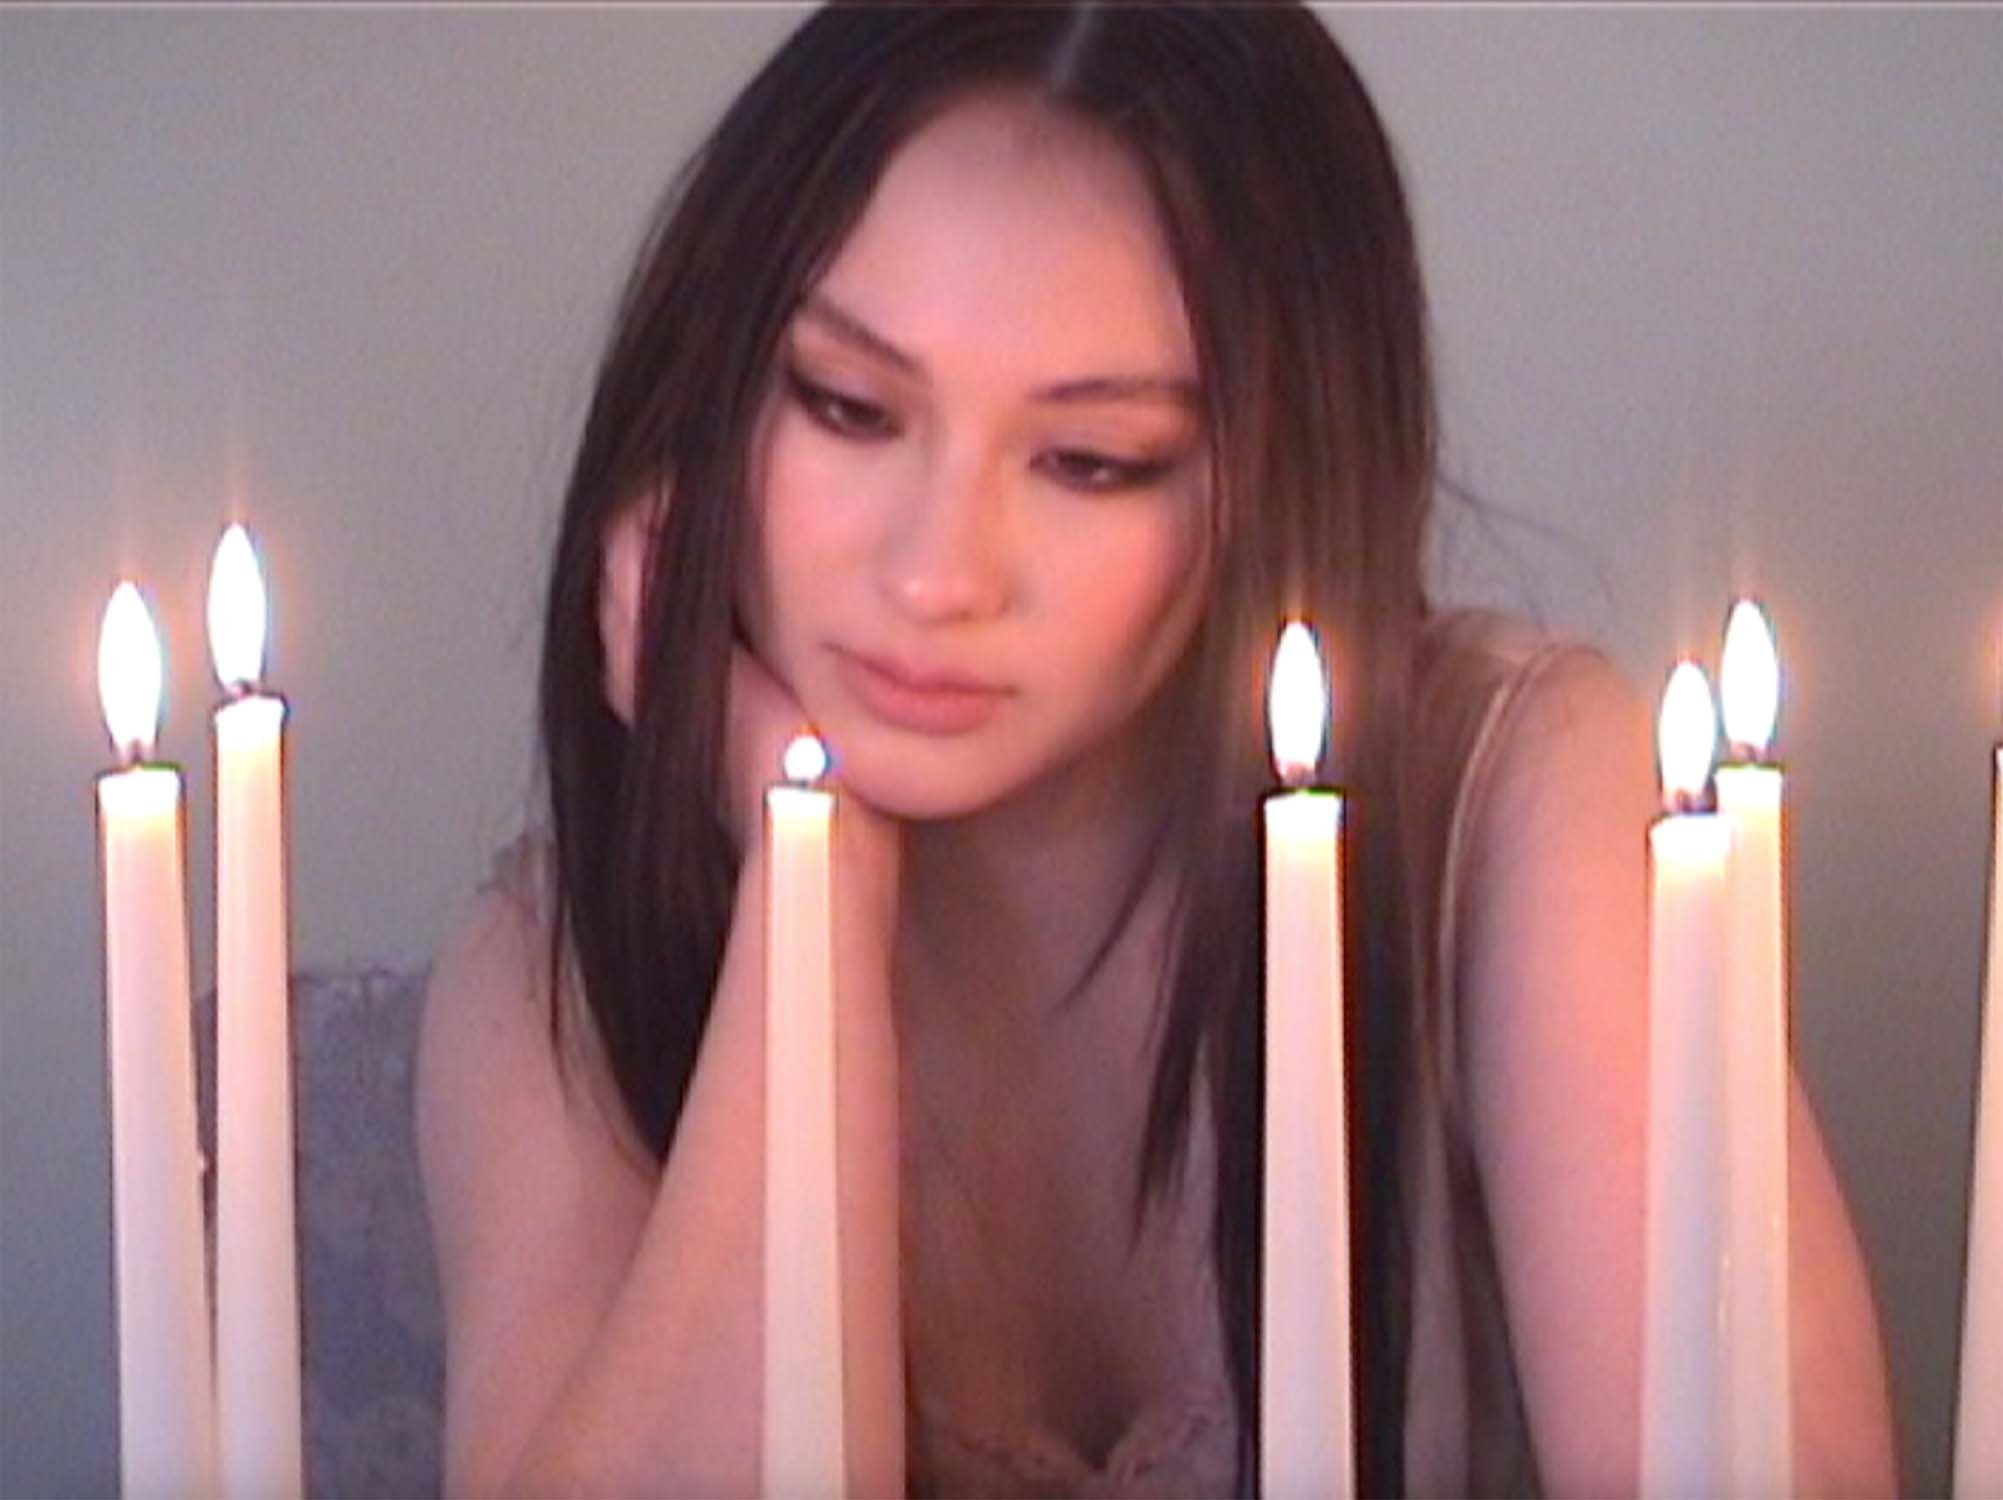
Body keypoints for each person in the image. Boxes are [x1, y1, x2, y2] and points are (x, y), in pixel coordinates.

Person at [415, 5, 1897, 1495]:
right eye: (849, 408)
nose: (937, 575)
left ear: (1271, 475)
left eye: (1092, 461)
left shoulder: (1519, 797)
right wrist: (814, 882)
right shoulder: (548, 980)